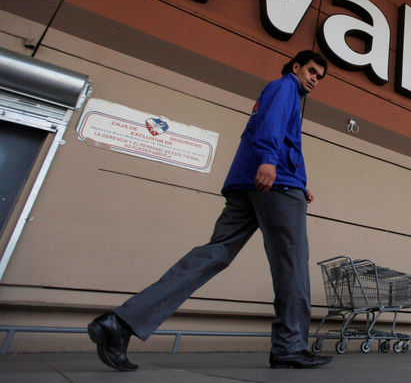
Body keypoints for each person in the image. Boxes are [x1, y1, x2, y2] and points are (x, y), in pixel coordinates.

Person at [87, 50, 332, 370]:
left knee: (214, 253)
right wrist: (272, 163)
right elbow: (270, 129)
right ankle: (290, 345)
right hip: (276, 186)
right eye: (311, 71)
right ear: (296, 67)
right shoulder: (285, 86)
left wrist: (298, 179)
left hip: (250, 184)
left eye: (319, 77)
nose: (314, 79)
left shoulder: (276, 90)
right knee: (293, 265)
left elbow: (271, 134)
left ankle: (120, 323)